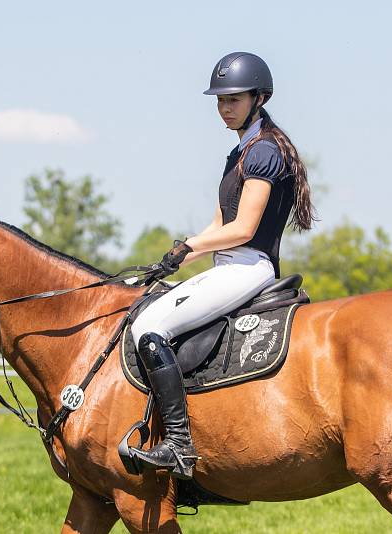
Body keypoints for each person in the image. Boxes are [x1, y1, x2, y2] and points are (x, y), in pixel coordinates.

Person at [128, 52, 317, 479]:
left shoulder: (265, 152)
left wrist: (189, 246)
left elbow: (244, 228)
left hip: (249, 266)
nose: (224, 108)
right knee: (146, 314)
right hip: (228, 264)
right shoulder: (237, 155)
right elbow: (219, 224)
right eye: (219, 101)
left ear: (259, 97)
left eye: (233, 99)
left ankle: (178, 443)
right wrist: (176, 259)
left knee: (150, 329)